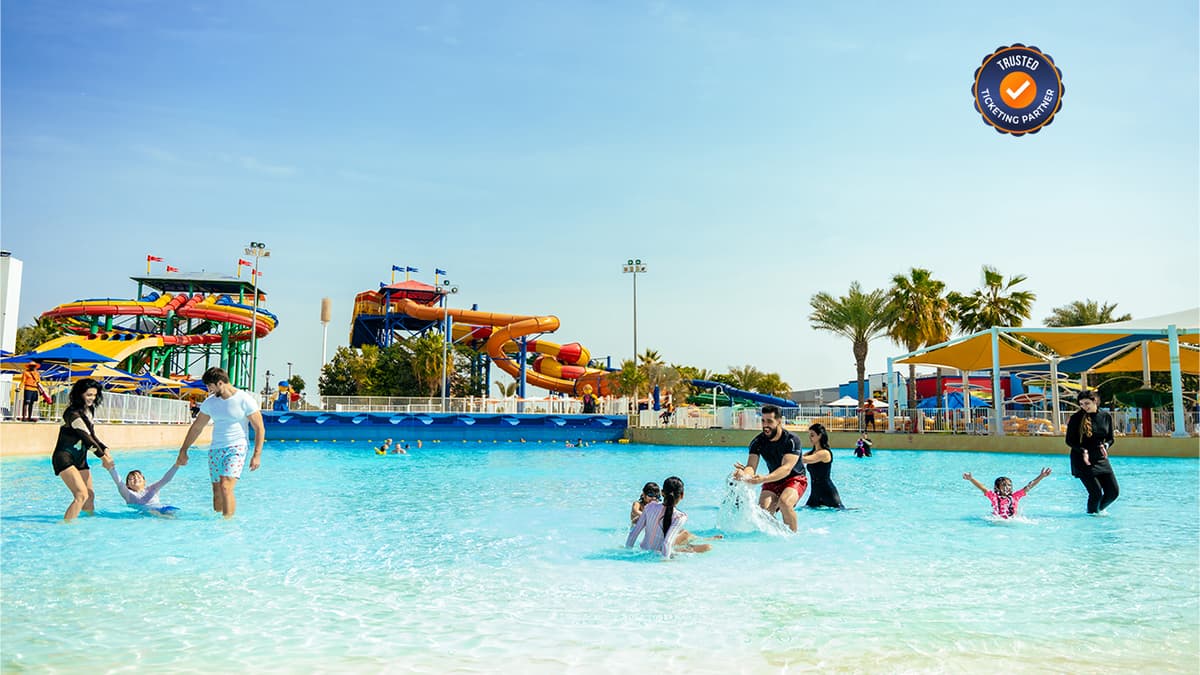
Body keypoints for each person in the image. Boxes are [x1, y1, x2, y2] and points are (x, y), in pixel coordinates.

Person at [176, 367, 264, 518]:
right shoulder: (210, 403)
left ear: (220, 383)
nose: (209, 390)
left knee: (226, 486)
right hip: (216, 449)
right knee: (217, 491)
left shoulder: (245, 399)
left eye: (210, 386)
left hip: (237, 447)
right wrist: (183, 450)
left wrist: (257, 454)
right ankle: (217, 523)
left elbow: (259, 428)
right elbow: (197, 427)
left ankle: (227, 524)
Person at [733, 404, 808, 532]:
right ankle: (779, 533)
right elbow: (751, 466)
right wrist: (744, 474)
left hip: (795, 479)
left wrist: (764, 479)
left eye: (769, 421)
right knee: (763, 512)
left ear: (779, 421)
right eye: (763, 421)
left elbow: (786, 468)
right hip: (772, 480)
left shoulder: (791, 440)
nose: (765, 425)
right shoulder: (757, 442)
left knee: (785, 503)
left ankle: (793, 538)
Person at [51, 378, 108, 521]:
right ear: (79, 394)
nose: (92, 398)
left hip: (80, 457)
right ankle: (66, 528)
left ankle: (88, 526)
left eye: (94, 395)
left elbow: (92, 435)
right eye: (89, 395)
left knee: (90, 495)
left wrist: (105, 448)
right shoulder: (72, 413)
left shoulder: (89, 410)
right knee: (81, 495)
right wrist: (102, 457)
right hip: (64, 457)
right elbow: (86, 439)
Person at [625, 476, 720, 557]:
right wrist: (665, 562)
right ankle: (701, 540)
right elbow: (667, 543)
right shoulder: (679, 516)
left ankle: (693, 542)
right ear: (682, 495)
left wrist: (627, 552)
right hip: (661, 553)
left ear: (662, 493)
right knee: (707, 547)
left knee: (685, 538)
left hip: (644, 550)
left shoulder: (649, 507)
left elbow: (633, 534)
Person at [1065, 390, 1119, 514]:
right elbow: (1069, 441)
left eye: (1087, 403)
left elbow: (1110, 438)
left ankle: (1097, 511)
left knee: (1113, 492)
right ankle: (1092, 518)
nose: (1084, 407)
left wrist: (1105, 446)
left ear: (1095, 401)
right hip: (1083, 459)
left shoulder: (1106, 417)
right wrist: (1083, 450)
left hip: (1100, 458)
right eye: (1081, 404)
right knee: (1096, 493)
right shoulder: (1076, 418)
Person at [100, 453, 183, 516]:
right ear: (127, 485)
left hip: (164, 508)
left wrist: (177, 465)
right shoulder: (128, 494)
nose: (136, 479)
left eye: (139, 477)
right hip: (148, 514)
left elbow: (166, 479)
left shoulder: (152, 489)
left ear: (144, 481)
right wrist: (111, 469)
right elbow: (119, 482)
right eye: (132, 478)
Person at [963, 468, 1052, 519]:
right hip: (996, 522)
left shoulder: (1015, 497)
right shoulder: (994, 497)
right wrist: (971, 479)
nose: (1007, 487)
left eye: (1009, 485)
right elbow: (982, 488)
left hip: (1012, 521)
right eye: (1004, 485)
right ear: (997, 488)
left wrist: (1041, 476)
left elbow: (1029, 486)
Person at [802, 423, 844, 509]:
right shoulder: (810, 453)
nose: (810, 437)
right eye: (809, 435)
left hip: (827, 492)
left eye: (812, 435)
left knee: (840, 512)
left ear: (820, 435)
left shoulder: (824, 453)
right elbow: (799, 460)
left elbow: (804, 460)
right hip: (815, 493)